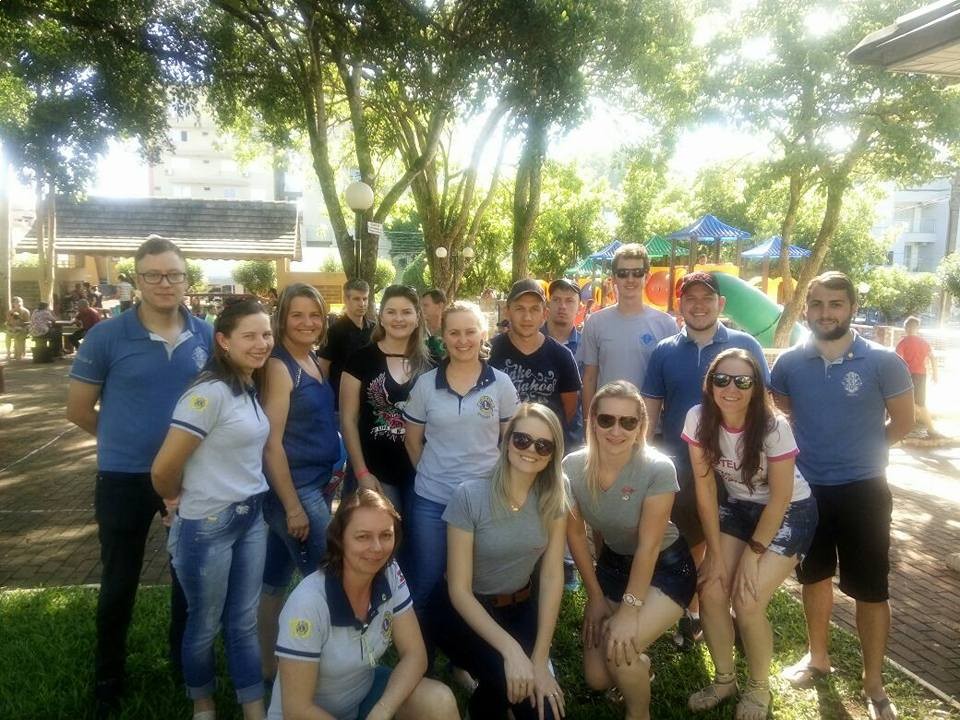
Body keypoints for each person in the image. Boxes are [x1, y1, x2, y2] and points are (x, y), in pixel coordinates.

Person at [67, 236, 213, 717]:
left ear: (186, 279)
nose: (164, 283)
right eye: (153, 275)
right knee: (119, 580)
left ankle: (182, 664)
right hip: (123, 478)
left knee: (186, 578)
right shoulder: (106, 337)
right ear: (137, 279)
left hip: (190, 479)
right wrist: (123, 441)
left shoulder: (208, 336)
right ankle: (108, 676)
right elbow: (78, 410)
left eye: (174, 274)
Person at [771, 271, 914, 720]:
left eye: (836, 304)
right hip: (807, 490)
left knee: (870, 588)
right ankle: (818, 658)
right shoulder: (789, 364)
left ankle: (874, 683)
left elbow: (904, 422)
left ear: (852, 308)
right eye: (817, 304)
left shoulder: (884, 361)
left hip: (864, 491)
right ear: (806, 308)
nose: (826, 313)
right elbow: (786, 411)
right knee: (813, 577)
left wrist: (864, 452)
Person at [152, 298, 274, 720]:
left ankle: (254, 709)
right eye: (249, 336)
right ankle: (203, 704)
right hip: (208, 524)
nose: (261, 344)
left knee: (243, 621)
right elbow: (163, 468)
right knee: (204, 624)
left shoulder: (246, 386)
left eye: (266, 334)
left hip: (251, 516)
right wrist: (173, 500)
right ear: (223, 341)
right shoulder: (208, 394)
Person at [683, 348, 818, 719]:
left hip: (790, 511)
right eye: (721, 379)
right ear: (710, 384)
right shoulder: (698, 418)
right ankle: (724, 680)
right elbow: (706, 490)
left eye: (742, 381)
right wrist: (714, 554)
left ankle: (759, 688)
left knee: (747, 599)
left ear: (756, 387)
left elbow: (781, 497)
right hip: (739, 508)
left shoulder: (774, 427)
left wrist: (751, 556)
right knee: (711, 589)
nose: (731, 388)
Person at [642, 271, 769, 647]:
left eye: (707, 298)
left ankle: (740, 615)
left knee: (739, 547)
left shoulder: (746, 345)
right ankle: (695, 614)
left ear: (721, 303)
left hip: (740, 472)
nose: (698, 305)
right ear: (679, 304)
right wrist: (642, 459)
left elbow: (764, 406)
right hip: (682, 468)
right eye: (690, 298)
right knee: (692, 543)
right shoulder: (664, 351)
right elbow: (650, 410)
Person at [563, 381, 696, 720]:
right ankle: (641, 667)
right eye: (606, 419)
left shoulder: (657, 468)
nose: (616, 430)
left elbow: (649, 547)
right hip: (613, 565)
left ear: (641, 426)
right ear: (592, 420)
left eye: (628, 422)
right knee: (597, 678)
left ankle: (639, 713)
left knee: (618, 650)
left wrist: (629, 611)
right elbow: (575, 534)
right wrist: (595, 597)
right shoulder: (571, 468)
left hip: (666, 567)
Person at [267, 489, 459, 720]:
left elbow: (415, 655)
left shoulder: (389, 571)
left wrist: (383, 710)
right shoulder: (308, 604)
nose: (377, 548)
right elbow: (297, 709)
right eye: (363, 537)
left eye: (386, 535)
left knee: (439, 701)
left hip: (360, 699)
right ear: (339, 540)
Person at [436, 403, 567, 720]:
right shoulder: (470, 496)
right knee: (513, 681)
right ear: (507, 441)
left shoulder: (556, 493)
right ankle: (485, 694)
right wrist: (511, 650)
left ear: (552, 454)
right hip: (465, 611)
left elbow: (552, 575)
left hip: (520, 608)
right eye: (522, 439)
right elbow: (459, 590)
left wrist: (539, 658)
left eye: (543, 445)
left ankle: (485, 701)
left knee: (546, 710)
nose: (530, 450)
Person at [402, 300, 520, 637]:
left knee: (476, 584)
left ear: (482, 334)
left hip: (485, 502)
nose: (463, 340)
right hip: (432, 500)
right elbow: (412, 442)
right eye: (454, 333)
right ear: (443, 337)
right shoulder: (426, 385)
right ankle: (420, 653)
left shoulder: (501, 384)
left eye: (470, 332)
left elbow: (511, 443)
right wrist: (432, 474)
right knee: (426, 579)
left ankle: (467, 654)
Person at [258, 283, 341, 683]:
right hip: (295, 491)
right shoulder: (280, 366)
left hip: (317, 485)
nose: (307, 322)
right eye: (297, 315)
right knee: (327, 578)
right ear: (283, 319)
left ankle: (267, 666)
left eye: (315, 315)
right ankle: (318, 673)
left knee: (273, 581)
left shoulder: (310, 358)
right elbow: (271, 443)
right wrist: (293, 506)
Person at [341, 285, 432, 511]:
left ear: (417, 318)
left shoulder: (432, 364)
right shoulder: (360, 360)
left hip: (422, 472)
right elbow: (348, 420)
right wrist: (361, 472)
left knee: (417, 534)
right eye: (391, 312)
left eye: (406, 312)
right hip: (375, 472)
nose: (398, 318)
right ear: (381, 317)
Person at [577, 243, 677, 416]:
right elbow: (590, 377)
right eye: (623, 273)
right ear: (614, 278)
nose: (630, 279)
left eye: (637, 273)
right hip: (606, 422)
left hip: (649, 423)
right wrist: (588, 423)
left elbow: (672, 382)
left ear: (647, 276)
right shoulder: (595, 322)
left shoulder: (667, 324)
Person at [490, 279, 581, 444]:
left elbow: (569, 409)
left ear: (544, 314)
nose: (527, 317)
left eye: (534, 309)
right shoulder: (490, 353)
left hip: (545, 446)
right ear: (507, 311)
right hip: (499, 446)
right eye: (520, 309)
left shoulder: (562, 356)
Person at [319, 279, 374, 409]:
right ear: (346, 300)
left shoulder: (374, 329)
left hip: (368, 399)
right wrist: (326, 398)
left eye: (365, 299)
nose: (362, 304)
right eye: (356, 299)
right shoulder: (334, 331)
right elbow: (323, 366)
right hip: (340, 400)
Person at [895, 316, 942, 438]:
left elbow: (896, 361)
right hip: (921, 375)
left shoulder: (902, 342)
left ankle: (906, 429)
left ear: (905, 328)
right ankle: (930, 429)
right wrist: (935, 374)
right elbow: (933, 358)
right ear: (918, 328)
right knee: (920, 403)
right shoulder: (924, 342)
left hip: (908, 375)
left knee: (906, 401)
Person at [420, 288, 447, 362]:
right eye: (421, 306)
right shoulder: (417, 331)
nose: (421, 309)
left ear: (440, 306)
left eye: (425, 305)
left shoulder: (451, 331)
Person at [5, 296, 31, 360]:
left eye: (20, 302)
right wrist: (10, 328)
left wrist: (19, 325)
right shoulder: (10, 312)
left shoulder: (25, 311)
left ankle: (19, 353)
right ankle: (8, 352)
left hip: (23, 328)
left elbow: (28, 323)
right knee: (7, 336)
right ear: (13, 304)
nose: (19, 303)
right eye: (16, 302)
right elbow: (7, 322)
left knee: (18, 335)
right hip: (12, 329)